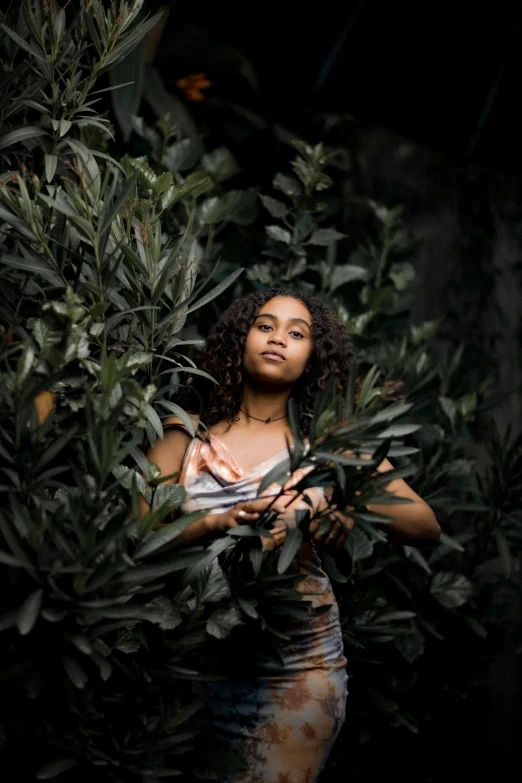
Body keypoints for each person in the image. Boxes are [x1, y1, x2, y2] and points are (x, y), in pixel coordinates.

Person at [142, 288, 441, 783]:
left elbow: (426, 525)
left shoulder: (328, 446)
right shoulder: (186, 430)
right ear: (240, 340)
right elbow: (135, 530)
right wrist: (217, 522)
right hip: (184, 667)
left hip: (295, 669)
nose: (278, 337)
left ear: (313, 359)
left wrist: (344, 500)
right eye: (265, 325)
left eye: (297, 333)